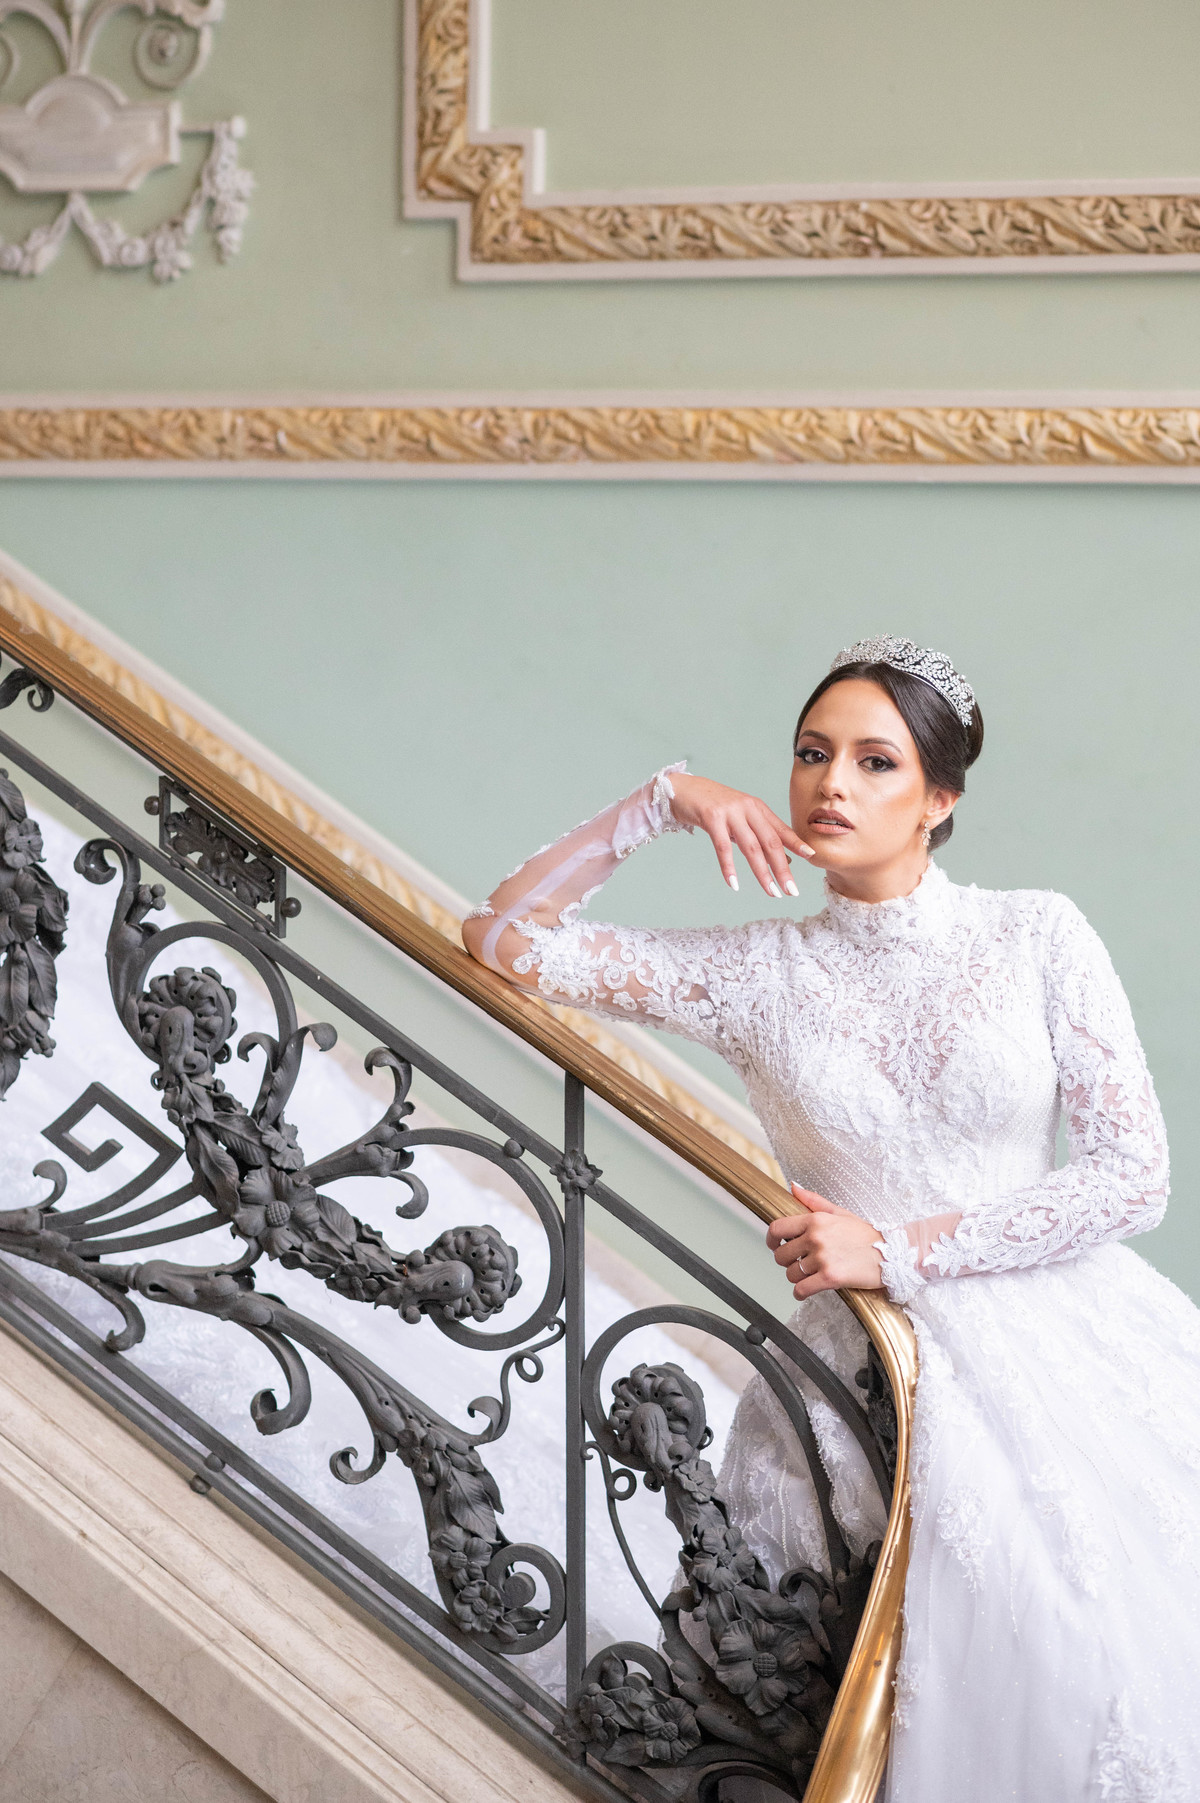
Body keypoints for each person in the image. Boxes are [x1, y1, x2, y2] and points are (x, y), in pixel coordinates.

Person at [463, 635, 1198, 1802]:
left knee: (1087, 1662)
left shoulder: (1038, 934)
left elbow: (1133, 1176)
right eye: (812, 754)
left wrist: (895, 1250)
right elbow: (501, 940)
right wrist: (663, 801)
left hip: (1068, 1351)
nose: (832, 784)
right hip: (858, 1372)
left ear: (940, 800)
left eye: (875, 761)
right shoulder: (756, 974)